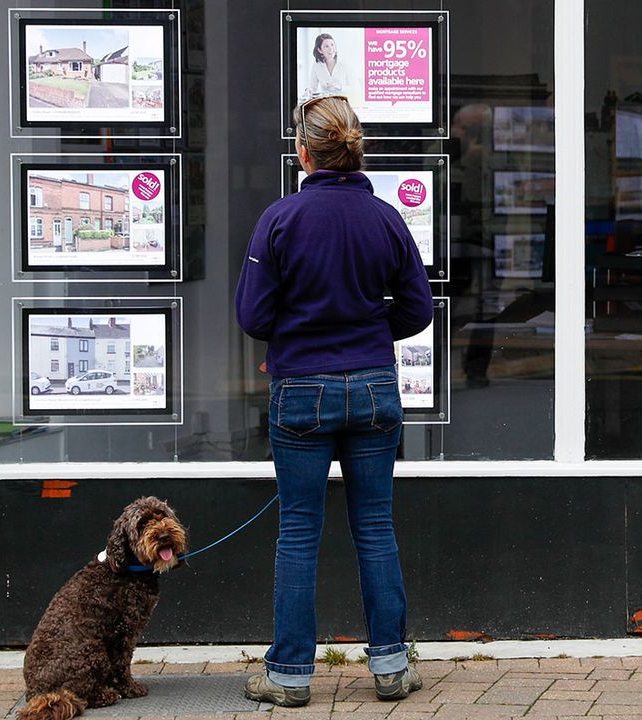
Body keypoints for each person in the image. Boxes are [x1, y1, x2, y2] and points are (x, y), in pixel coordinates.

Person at [234, 95, 434, 707]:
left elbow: (252, 314)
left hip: (299, 388)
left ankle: (290, 675)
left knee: (299, 531)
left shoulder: (280, 219)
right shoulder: (386, 219)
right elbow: (418, 309)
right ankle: (392, 669)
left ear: (304, 152)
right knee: (375, 526)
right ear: (357, 149)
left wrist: (296, 338)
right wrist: (369, 334)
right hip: (374, 384)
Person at [305, 33, 351, 98]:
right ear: (320, 50)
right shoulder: (316, 66)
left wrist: (339, 86)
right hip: (326, 103)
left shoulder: (344, 64)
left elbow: (355, 88)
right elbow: (313, 87)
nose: (331, 49)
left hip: (343, 102)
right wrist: (309, 90)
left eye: (332, 45)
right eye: (326, 46)